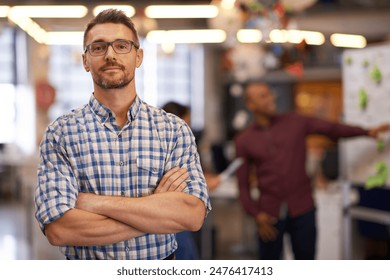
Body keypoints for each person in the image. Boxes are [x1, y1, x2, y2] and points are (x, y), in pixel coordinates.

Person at [34, 9, 211, 260]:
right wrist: (154, 212)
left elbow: (192, 215)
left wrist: (95, 203)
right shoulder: (61, 134)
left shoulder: (174, 130)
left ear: (138, 56)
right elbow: (59, 229)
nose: (110, 55)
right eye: (98, 47)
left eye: (121, 46)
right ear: (85, 60)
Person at [234, 81, 390, 260]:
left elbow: (332, 129)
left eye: (270, 94)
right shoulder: (244, 140)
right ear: (250, 104)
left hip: (303, 210)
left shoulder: (296, 122)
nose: (270, 99)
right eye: (263, 96)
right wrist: (256, 214)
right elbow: (243, 184)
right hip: (268, 215)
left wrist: (366, 132)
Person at [162, 101, 221, 259]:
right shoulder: (166, 146)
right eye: (186, 121)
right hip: (172, 219)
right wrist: (205, 184)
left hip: (181, 217)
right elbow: (175, 186)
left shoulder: (182, 144)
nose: (188, 126)